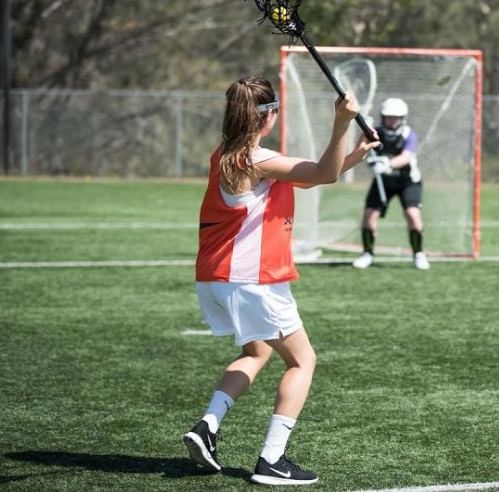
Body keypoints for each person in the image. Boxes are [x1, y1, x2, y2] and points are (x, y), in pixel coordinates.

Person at [183, 77, 379, 486]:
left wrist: (354, 156)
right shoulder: (258, 159)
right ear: (267, 117)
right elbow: (321, 174)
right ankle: (272, 460)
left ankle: (207, 426)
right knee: (302, 360)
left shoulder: (225, 155)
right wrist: (342, 122)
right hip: (252, 279)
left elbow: (307, 176)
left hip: (215, 278)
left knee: (256, 352)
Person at [352, 97, 430, 270]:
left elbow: (406, 157)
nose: (392, 121)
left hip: (408, 182)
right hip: (383, 182)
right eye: (389, 117)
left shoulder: (409, 134)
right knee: (369, 215)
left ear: (403, 118)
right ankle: (367, 253)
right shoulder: (375, 133)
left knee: (413, 215)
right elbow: (361, 152)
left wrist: (387, 164)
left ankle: (419, 253)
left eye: (396, 117)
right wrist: (367, 150)